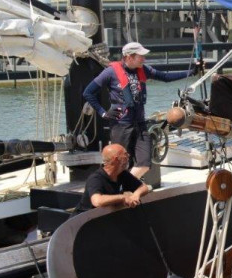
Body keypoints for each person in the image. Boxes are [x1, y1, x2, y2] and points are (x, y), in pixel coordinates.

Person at [83, 42, 198, 179]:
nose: (144, 59)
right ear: (129, 57)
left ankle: (127, 185)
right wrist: (103, 112)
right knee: (120, 163)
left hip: (140, 124)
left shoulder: (144, 70)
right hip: (121, 126)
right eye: (140, 56)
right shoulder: (110, 72)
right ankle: (119, 187)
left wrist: (191, 72)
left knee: (145, 163)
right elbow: (88, 92)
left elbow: (165, 77)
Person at [74, 144, 150, 213]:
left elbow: (143, 187)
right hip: (84, 219)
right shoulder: (96, 178)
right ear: (116, 159)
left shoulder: (122, 174)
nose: (128, 156)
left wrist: (136, 195)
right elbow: (97, 201)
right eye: (125, 154)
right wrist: (123, 197)